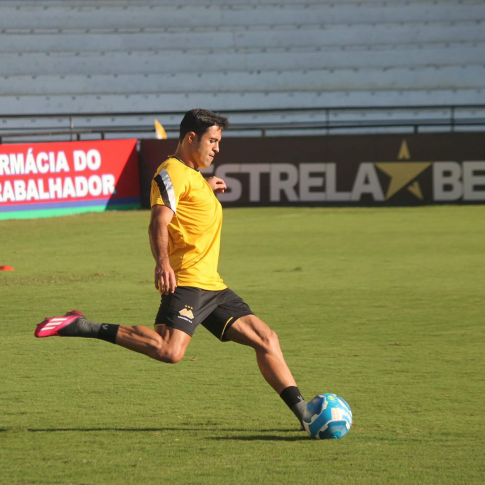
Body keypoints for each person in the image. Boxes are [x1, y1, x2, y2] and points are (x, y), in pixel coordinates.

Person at [35, 108, 308, 430]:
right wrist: (162, 263)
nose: (217, 148)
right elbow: (159, 220)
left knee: (266, 338)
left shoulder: (192, 176)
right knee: (169, 350)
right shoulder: (171, 171)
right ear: (191, 137)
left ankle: (305, 416)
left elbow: (188, 198)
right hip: (189, 282)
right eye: (213, 141)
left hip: (214, 287)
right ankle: (83, 326)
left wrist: (205, 185)